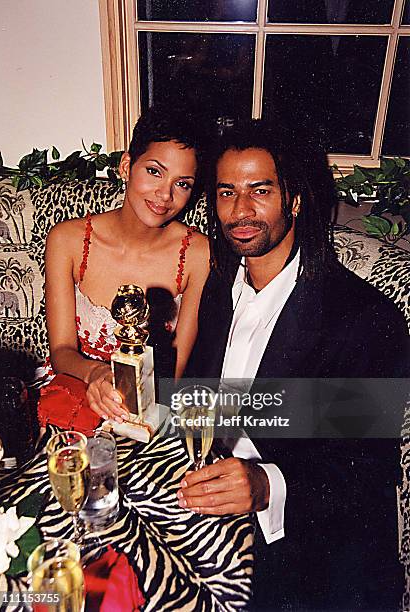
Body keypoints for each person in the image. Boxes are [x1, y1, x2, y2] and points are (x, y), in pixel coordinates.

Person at [179, 120, 410, 609]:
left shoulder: (363, 319)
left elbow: (366, 469)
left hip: (305, 540)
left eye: (260, 190)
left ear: (295, 199)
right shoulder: (218, 288)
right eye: (226, 192)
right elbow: (199, 395)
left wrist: (266, 484)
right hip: (205, 509)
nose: (240, 211)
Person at [37, 106, 210, 432]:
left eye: (182, 183)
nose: (165, 194)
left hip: (151, 406)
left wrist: (136, 412)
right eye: (155, 172)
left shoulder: (197, 253)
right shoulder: (68, 240)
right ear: (127, 166)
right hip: (73, 390)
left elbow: (179, 368)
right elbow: (61, 351)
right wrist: (97, 375)